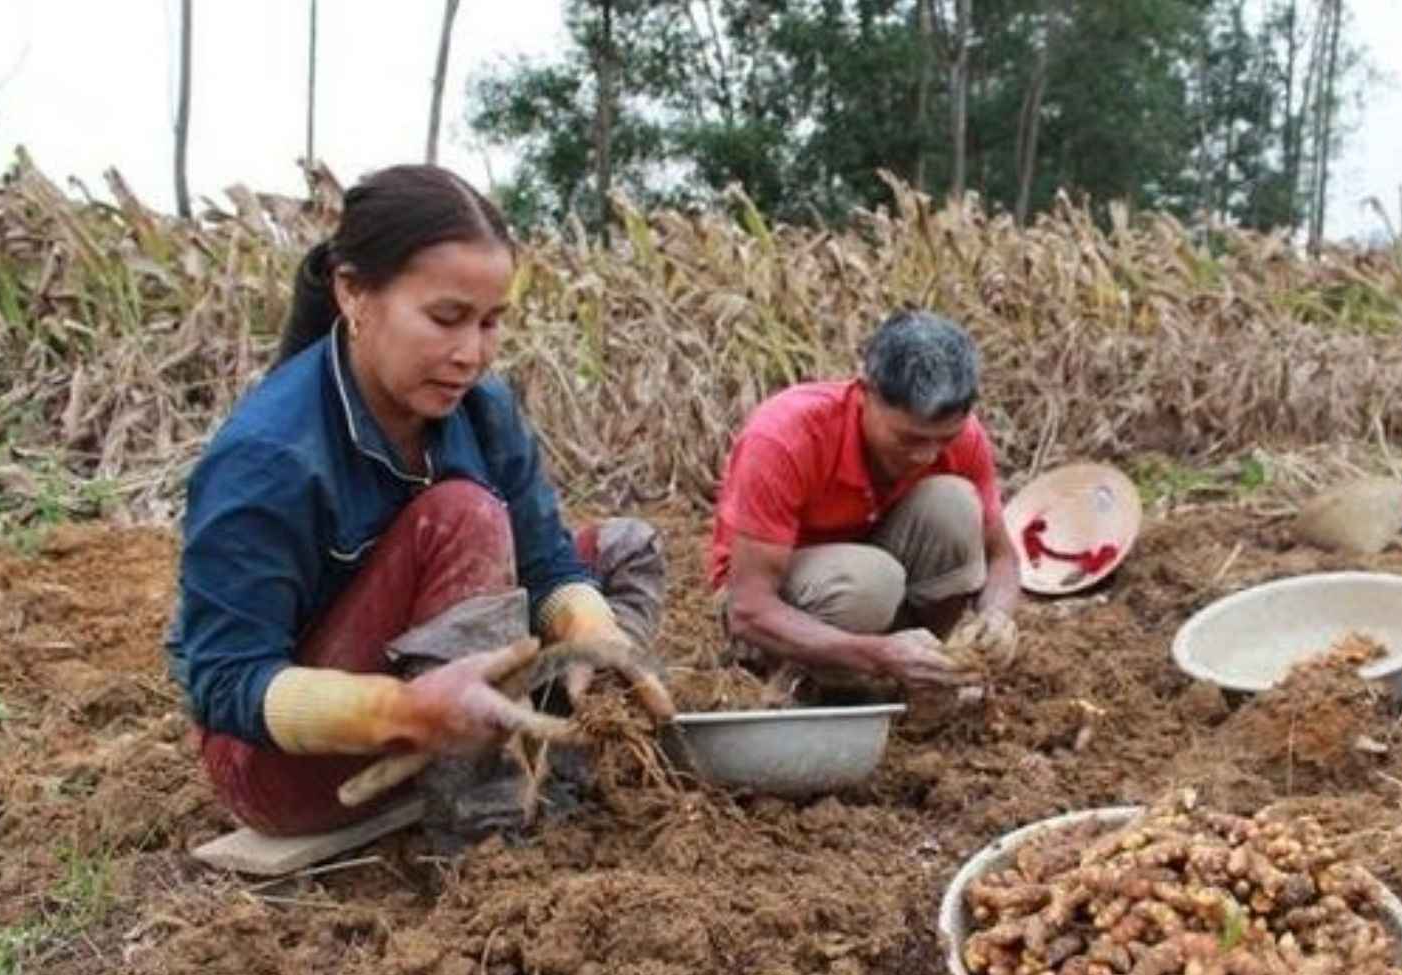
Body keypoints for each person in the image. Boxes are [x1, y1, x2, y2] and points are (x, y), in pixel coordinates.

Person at [168, 164, 670, 838]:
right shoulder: (269, 456)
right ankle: (485, 832)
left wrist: (596, 641)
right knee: (463, 517)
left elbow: (547, 565)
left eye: (492, 323)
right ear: (353, 293)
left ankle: (581, 757)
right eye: (446, 318)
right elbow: (225, 681)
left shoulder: (483, 411)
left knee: (622, 548)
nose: (472, 353)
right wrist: (401, 710)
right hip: (290, 767)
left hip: (436, 698)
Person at [709, 310, 1022, 691]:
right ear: (864, 394)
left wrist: (996, 617)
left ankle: (925, 671)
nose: (926, 455)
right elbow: (749, 608)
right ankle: (806, 684)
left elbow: (1002, 556)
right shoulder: (784, 438)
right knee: (871, 581)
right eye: (909, 439)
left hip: (869, 599)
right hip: (775, 612)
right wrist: (878, 655)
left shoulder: (964, 438)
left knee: (953, 505)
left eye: (943, 439)